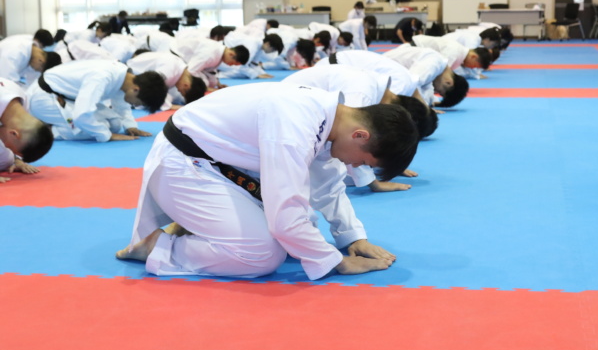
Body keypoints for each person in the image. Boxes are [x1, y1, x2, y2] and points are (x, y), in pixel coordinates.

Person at [115, 82, 419, 280]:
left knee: (301, 233)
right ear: (360, 135)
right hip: (183, 166)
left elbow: (327, 185)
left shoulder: (327, 121)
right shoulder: (297, 123)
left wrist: (352, 238)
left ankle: (198, 226)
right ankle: (160, 248)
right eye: (363, 161)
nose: (355, 166)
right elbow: (284, 218)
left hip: (220, 167)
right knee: (262, 255)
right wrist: (335, 262)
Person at [283, 64, 437, 192]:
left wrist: (387, 160)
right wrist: (373, 183)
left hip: (301, 119)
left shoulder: (375, 88)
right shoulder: (362, 93)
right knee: (340, 173)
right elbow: (352, 140)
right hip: (290, 121)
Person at [27, 60, 167, 142]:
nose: (136, 106)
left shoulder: (125, 78)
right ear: (136, 89)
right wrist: (108, 136)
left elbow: (121, 106)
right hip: (45, 98)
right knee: (93, 129)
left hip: (69, 98)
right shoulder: (101, 77)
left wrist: (131, 126)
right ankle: (47, 130)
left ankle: (60, 122)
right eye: (140, 103)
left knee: (115, 123)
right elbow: (81, 114)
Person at [0, 77, 54, 183]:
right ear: (14, 134)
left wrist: (16, 160)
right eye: (10, 147)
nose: (6, 146)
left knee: (6, 159)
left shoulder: (20, 97)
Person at [383, 45, 469, 108]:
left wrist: (429, 105)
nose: (435, 90)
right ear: (448, 82)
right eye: (439, 91)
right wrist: (425, 109)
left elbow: (426, 89)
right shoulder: (434, 63)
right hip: (380, 71)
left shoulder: (438, 68)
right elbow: (412, 83)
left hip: (387, 75)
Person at [127, 51, 207, 109]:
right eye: (181, 92)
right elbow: (151, 89)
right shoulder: (169, 71)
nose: (179, 90)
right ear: (186, 85)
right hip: (131, 76)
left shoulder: (179, 69)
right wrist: (170, 106)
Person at [169, 37, 249, 89]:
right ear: (231, 54)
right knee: (202, 84)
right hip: (174, 55)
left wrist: (218, 84)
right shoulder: (209, 54)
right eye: (233, 63)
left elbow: (211, 72)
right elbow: (191, 71)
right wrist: (207, 88)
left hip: (186, 60)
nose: (231, 65)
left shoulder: (219, 53)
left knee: (211, 82)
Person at [410, 35, 492, 74]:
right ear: (474, 56)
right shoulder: (454, 53)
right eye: (475, 66)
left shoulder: (460, 56)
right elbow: (439, 72)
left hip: (420, 49)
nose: (472, 68)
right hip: (416, 47)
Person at [217, 32, 283, 80]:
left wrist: (262, 73)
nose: (272, 52)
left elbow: (254, 64)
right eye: (273, 49)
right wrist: (256, 75)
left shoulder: (259, 46)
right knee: (242, 73)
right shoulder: (253, 44)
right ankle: (219, 75)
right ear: (268, 44)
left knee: (247, 71)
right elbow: (242, 67)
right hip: (222, 56)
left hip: (229, 57)